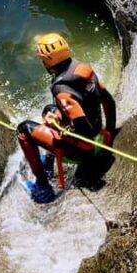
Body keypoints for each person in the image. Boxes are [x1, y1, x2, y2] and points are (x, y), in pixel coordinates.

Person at [17, 33, 117, 203]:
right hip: (99, 136)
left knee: (23, 129)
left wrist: (58, 126)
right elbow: (109, 101)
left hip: (86, 150)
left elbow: (84, 133)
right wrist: (110, 133)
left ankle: (42, 188)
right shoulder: (83, 69)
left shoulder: (62, 90)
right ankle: (48, 165)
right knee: (49, 110)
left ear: (47, 61)